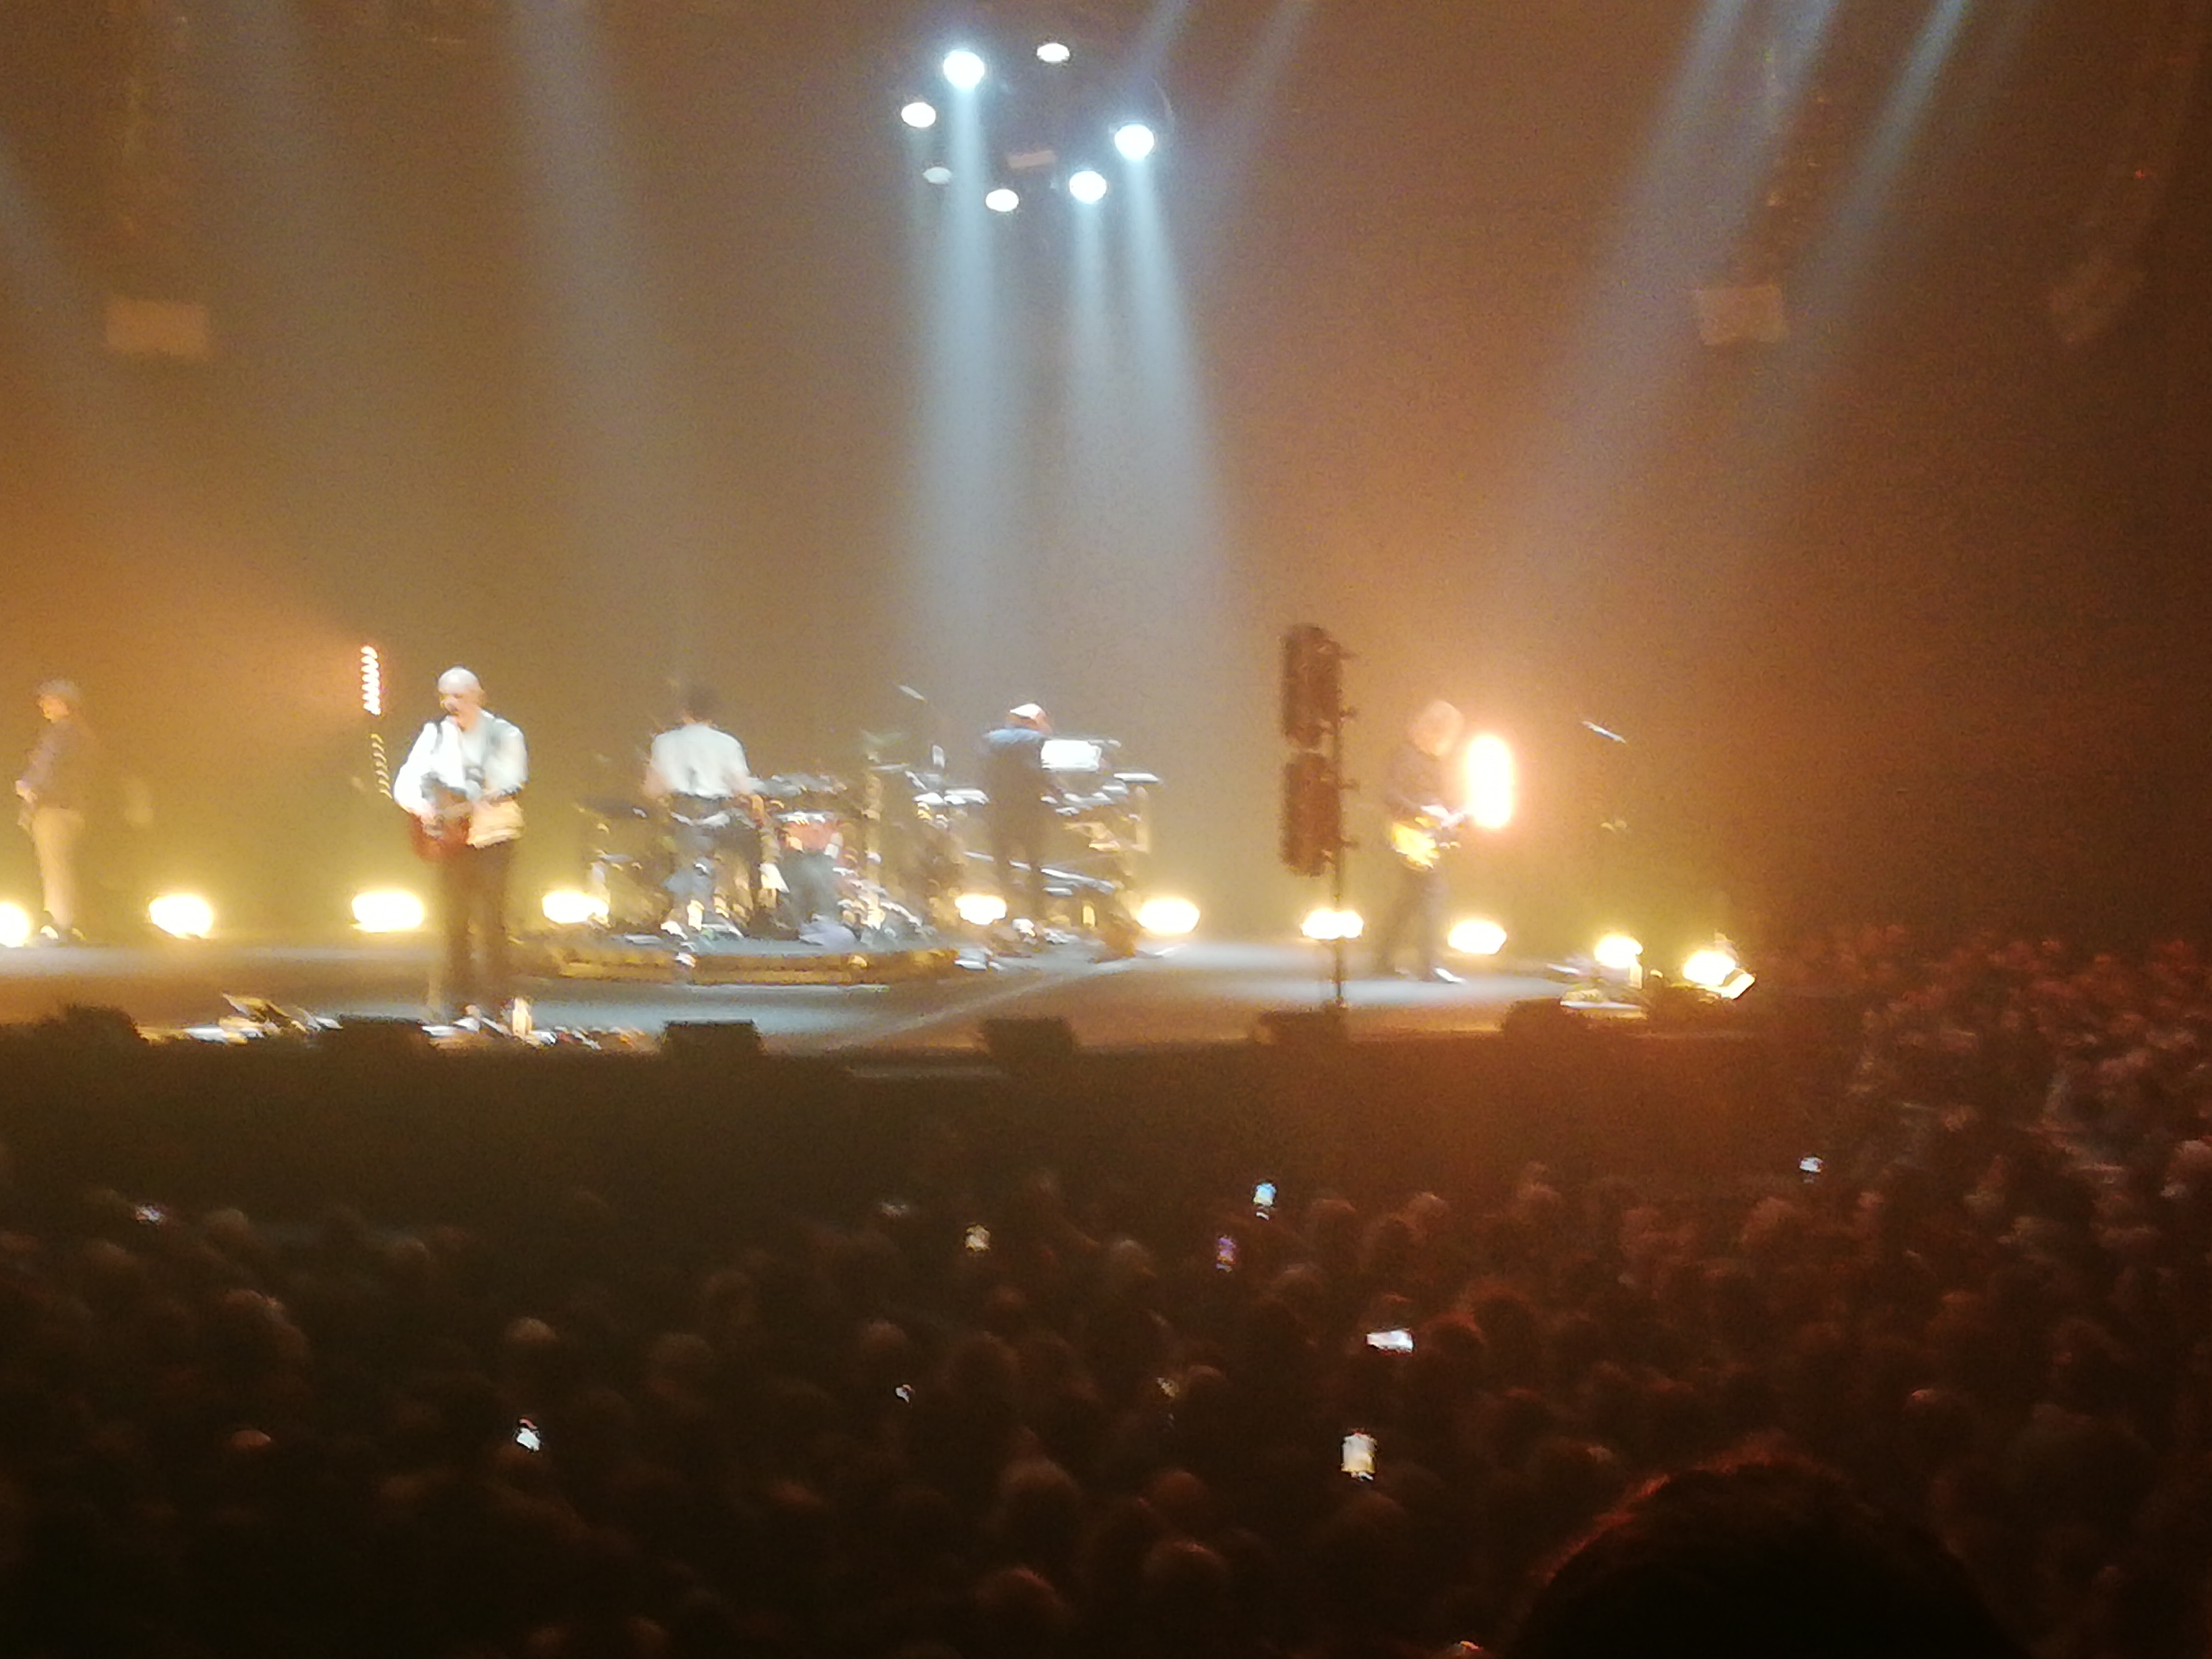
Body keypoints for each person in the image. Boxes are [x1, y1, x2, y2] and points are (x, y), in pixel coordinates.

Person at [393, 667, 528, 1022]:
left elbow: (512, 780)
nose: (451, 703)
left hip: (494, 838)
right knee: (453, 922)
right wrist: (422, 807)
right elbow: (406, 780)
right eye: (445, 696)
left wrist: (471, 801)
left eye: (459, 696)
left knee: (492, 921)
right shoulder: (435, 734)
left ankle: (498, 999)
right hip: (452, 843)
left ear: (479, 697)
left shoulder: (505, 735)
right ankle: (457, 998)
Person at [641, 683, 758, 932]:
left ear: (683, 711)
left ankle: (675, 908)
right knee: (755, 843)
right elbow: (743, 790)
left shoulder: (663, 742)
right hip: (717, 821)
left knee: (666, 845)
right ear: (714, 714)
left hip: (678, 820)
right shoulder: (729, 744)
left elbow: (651, 791)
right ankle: (743, 911)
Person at [1371, 698, 1464, 983]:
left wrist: (1448, 816)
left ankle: (1383, 958)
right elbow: (1390, 796)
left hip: (1423, 836)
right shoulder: (1406, 756)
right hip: (1408, 835)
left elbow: (1431, 799)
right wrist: (1423, 811)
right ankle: (1429, 965)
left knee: (1410, 898)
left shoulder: (1431, 761)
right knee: (1433, 893)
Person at [14, 679, 97, 942]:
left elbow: (48, 766)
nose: (43, 706)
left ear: (64, 704)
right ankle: (73, 924)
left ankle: (62, 927)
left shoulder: (62, 732)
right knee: (64, 867)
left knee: (55, 869)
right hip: (73, 808)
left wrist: (29, 786)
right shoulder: (82, 733)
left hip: (54, 808)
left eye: (49, 700)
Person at [979, 702, 1058, 928]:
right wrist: (1058, 793)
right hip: (1028, 810)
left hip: (1000, 809)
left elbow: (984, 773)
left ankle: (1009, 911)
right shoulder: (1038, 741)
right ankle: (1039, 913)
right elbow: (1041, 772)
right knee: (1035, 863)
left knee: (1003, 865)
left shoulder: (991, 739)